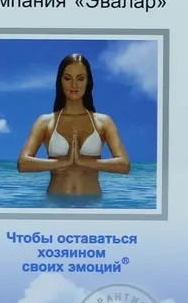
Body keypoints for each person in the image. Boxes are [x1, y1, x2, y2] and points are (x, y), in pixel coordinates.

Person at [17, 52, 130, 198]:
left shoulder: (103, 122)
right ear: (60, 81)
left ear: (88, 81)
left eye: (80, 78)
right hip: (55, 203)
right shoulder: (45, 122)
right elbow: (23, 163)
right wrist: (62, 162)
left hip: (92, 203)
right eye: (67, 78)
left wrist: (83, 162)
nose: (74, 84)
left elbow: (124, 165)